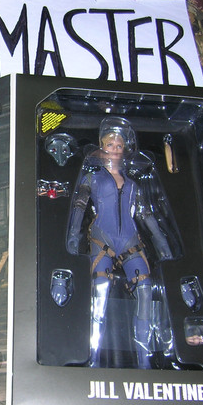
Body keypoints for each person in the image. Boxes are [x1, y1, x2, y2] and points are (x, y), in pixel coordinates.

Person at [63, 116, 180, 368]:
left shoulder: (134, 185)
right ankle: (93, 356)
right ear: (101, 147)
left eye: (119, 145)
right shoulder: (92, 178)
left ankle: (144, 358)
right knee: (101, 288)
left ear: (125, 149)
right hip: (102, 238)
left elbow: (146, 215)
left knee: (146, 288)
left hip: (130, 239)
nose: (115, 149)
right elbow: (78, 208)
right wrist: (73, 236)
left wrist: (162, 242)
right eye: (110, 145)